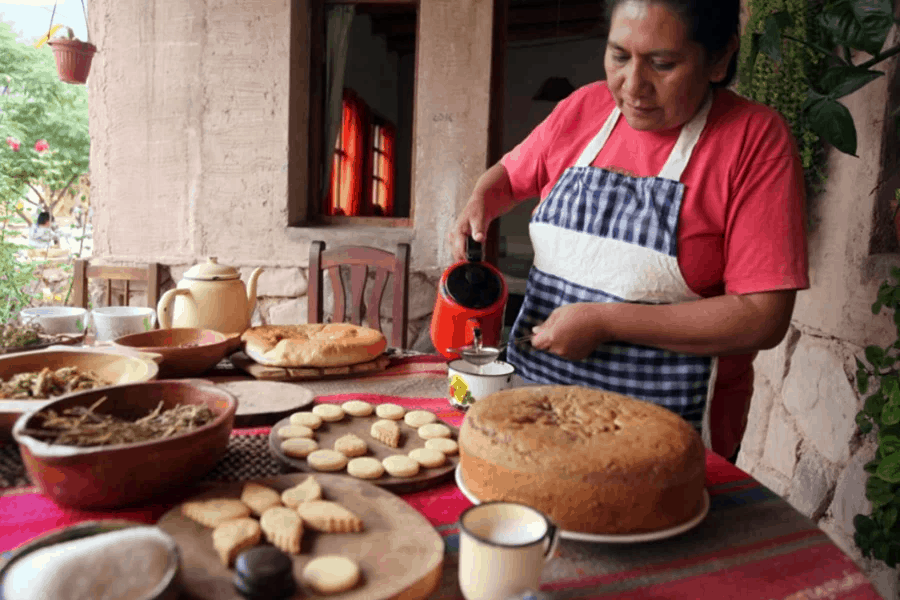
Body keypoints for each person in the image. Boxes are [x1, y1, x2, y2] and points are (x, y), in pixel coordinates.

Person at [448, 0, 809, 461]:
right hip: (532, 408)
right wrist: (481, 196)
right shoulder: (584, 107)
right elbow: (511, 176)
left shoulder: (753, 140)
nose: (633, 86)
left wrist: (605, 322)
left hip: (666, 434)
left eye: (662, 64)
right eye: (619, 56)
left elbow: (763, 317)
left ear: (719, 60)